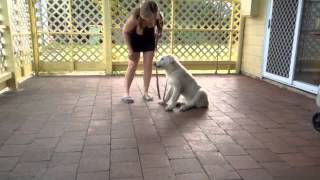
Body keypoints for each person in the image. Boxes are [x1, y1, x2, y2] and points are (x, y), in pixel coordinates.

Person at [121, 0, 163, 103]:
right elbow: (125, 31)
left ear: (155, 13)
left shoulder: (159, 17)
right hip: (134, 39)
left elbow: (160, 29)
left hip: (149, 40)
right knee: (132, 66)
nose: (148, 21)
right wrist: (130, 49)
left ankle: (145, 92)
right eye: (145, 18)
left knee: (148, 66)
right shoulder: (135, 17)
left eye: (150, 19)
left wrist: (158, 35)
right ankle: (126, 94)